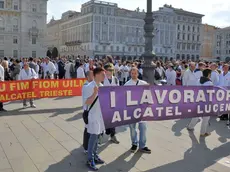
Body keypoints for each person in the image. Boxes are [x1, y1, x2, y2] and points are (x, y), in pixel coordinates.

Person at [124, 67, 151, 154]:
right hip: (131, 109)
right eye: (132, 73)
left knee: (143, 128)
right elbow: (123, 97)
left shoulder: (143, 83)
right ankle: (134, 144)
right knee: (132, 128)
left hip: (142, 109)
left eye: (135, 73)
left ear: (138, 74)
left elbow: (148, 94)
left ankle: (142, 145)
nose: (134, 74)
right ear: (130, 74)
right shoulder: (127, 84)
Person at [84, 67, 105, 171]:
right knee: (93, 138)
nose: (104, 76)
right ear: (96, 75)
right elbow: (86, 102)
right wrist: (94, 93)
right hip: (92, 116)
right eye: (102, 74)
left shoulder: (102, 86)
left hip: (100, 116)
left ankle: (95, 156)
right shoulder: (88, 86)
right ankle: (89, 159)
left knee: (98, 138)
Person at [187, 69, 213, 137]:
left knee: (196, 115)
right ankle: (203, 132)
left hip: (198, 99)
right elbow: (210, 93)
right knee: (206, 118)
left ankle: (190, 127)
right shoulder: (209, 83)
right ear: (208, 74)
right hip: (206, 101)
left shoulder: (198, 80)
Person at [103, 63, 120, 144]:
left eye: (112, 70)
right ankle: (104, 132)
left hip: (113, 103)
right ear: (105, 71)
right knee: (105, 120)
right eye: (109, 70)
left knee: (113, 120)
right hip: (104, 103)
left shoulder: (116, 79)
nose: (111, 71)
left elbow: (118, 90)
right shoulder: (102, 79)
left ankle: (113, 136)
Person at [82, 71, 94, 154]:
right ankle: (86, 147)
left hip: (94, 110)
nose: (93, 76)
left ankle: (92, 144)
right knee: (87, 128)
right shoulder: (86, 86)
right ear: (87, 77)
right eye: (92, 75)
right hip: (88, 110)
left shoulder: (93, 84)